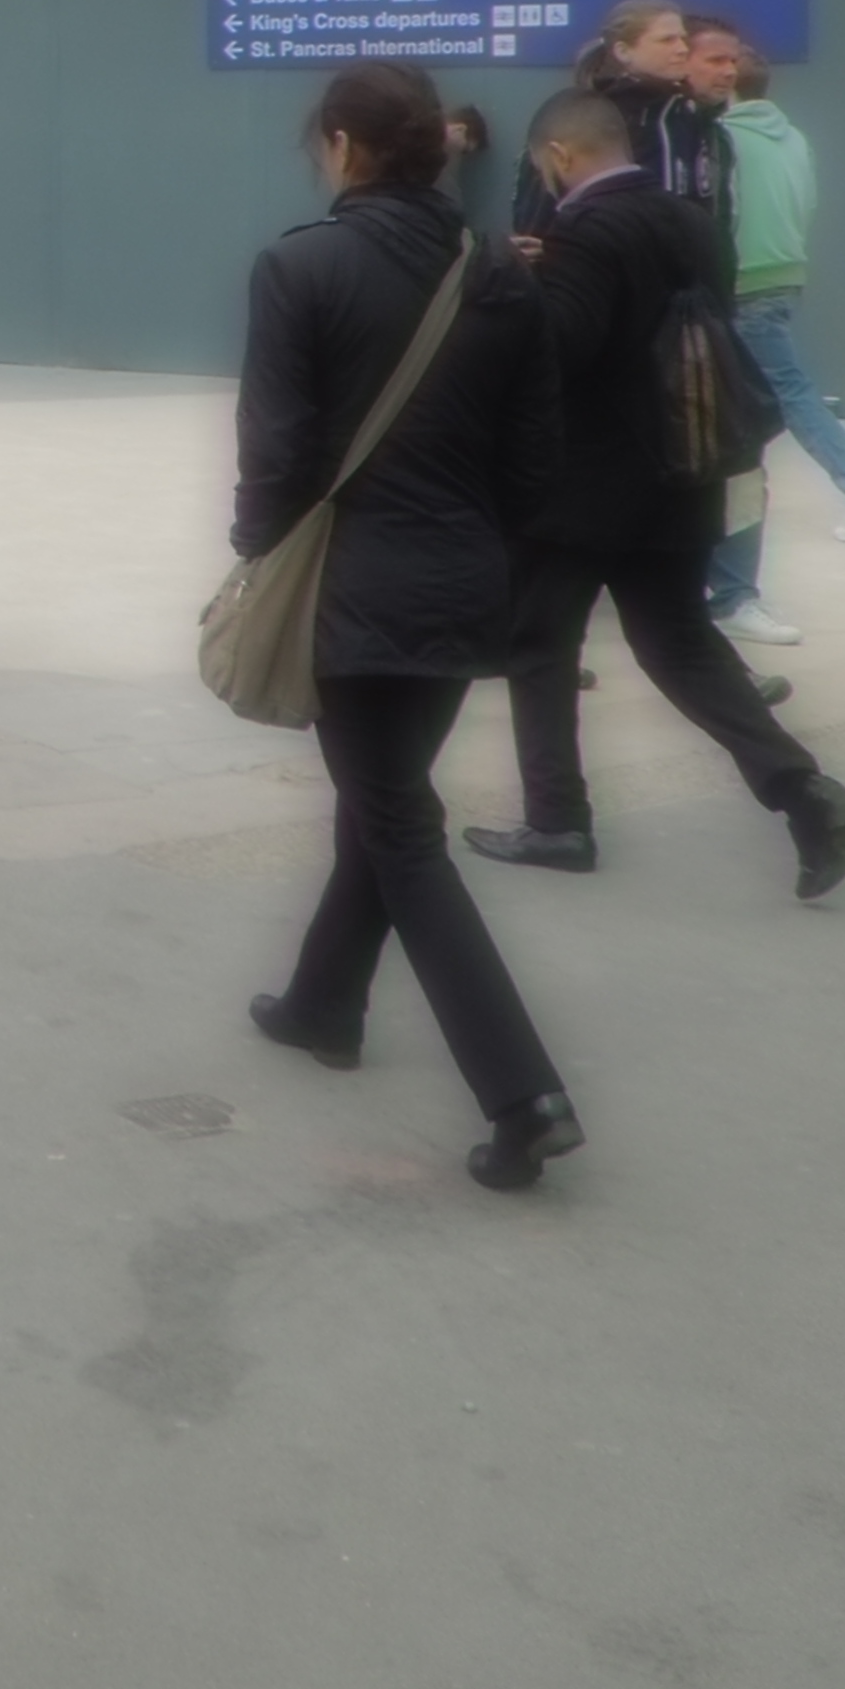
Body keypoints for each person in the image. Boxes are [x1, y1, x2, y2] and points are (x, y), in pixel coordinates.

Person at [235, 61, 584, 1192]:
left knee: (399, 828)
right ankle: (322, 1004)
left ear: (342, 145)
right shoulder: (497, 269)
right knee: (382, 805)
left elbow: (276, 455)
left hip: (350, 593)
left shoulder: (300, 267)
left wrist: (259, 557)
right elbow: (535, 457)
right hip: (466, 585)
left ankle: (523, 1095)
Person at [467, 88, 845, 898]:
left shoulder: (586, 229)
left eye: (543, 165)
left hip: (583, 487)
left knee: (539, 646)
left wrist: (513, 279)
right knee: (680, 644)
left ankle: (558, 821)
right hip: (684, 472)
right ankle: (800, 788)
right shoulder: (692, 220)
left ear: (561, 156)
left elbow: (563, 347)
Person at [693, 28, 845, 625]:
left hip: (743, 283)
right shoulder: (794, 138)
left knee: (787, 395)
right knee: (781, 393)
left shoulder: (722, 139)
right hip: (787, 276)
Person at [513, 0, 729, 233]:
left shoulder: (693, 117)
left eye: (683, 39)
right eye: (667, 40)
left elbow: (715, 209)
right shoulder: (588, 119)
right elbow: (540, 211)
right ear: (624, 51)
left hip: (688, 254)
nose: (682, 49)